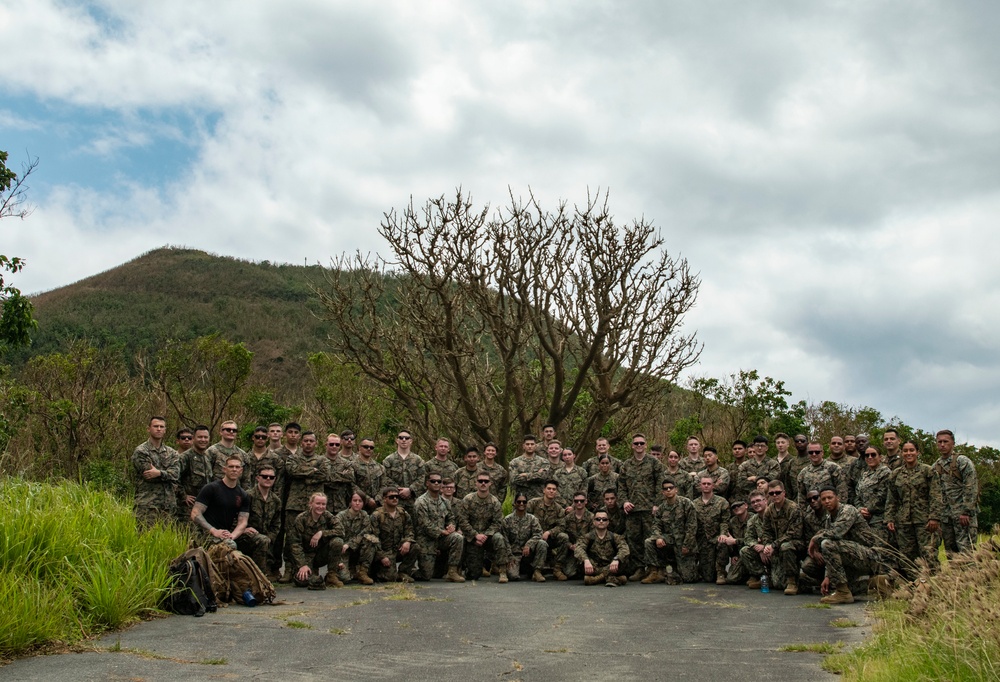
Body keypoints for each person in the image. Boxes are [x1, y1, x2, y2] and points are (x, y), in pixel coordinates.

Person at [801, 487, 884, 604]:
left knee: (827, 544)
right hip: (852, 555)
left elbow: (836, 532)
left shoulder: (848, 510)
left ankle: (843, 593)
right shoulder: (829, 518)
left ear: (837, 498)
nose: (827, 501)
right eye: (824, 499)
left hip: (869, 555)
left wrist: (815, 539)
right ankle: (875, 584)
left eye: (830, 498)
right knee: (832, 587)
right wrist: (828, 576)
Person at [886, 440, 943, 579]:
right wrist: (889, 518)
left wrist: (934, 517)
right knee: (907, 556)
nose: (908, 453)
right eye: (905, 451)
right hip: (904, 522)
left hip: (924, 521)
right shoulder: (896, 474)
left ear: (918, 452)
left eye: (912, 450)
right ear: (901, 453)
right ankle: (914, 587)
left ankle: (935, 586)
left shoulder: (928, 471)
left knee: (928, 554)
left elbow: (935, 495)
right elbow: (892, 499)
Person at [281, 432, 328, 583]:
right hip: (295, 504)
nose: (308, 443)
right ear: (301, 443)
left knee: (312, 538)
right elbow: (292, 471)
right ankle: (289, 569)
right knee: (291, 538)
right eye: (306, 441)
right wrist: (312, 471)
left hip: (315, 507)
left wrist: (304, 474)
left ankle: (310, 566)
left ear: (316, 443)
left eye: (311, 441)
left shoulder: (322, 459)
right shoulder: (293, 458)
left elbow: (324, 475)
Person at [619, 433, 664, 582]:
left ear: (646, 445)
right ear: (632, 446)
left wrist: (657, 504)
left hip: (649, 508)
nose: (639, 446)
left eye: (641, 443)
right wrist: (624, 501)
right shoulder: (626, 465)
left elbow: (660, 485)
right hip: (632, 509)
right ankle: (639, 568)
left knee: (650, 539)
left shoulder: (654, 463)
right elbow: (621, 486)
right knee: (634, 539)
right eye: (636, 443)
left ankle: (653, 569)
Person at [931, 429, 978, 556]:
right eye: (939, 442)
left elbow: (971, 487)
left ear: (953, 443)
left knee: (967, 552)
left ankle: (972, 576)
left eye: (945, 441)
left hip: (963, 517)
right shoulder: (935, 466)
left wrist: (966, 511)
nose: (942, 444)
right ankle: (955, 577)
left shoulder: (962, 462)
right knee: (951, 553)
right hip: (946, 518)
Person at [456, 473, 511, 582]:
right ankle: (462, 567)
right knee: (473, 575)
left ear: (490, 483)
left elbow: (497, 522)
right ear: (476, 483)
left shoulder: (495, 502)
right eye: (480, 481)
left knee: (499, 538)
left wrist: (485, 535)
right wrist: (475, 535)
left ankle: (502, 572)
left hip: (489, 537)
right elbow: (463, 521)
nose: (483, 483)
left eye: (486, 481)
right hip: (472, 538)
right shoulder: (468, 499)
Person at [641, 480, 698, 584]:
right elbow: (656, 525)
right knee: (649, 542)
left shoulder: (686, 504)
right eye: (665, 489)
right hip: (669, 541)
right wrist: (658, 537)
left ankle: (678, 568)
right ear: (663, 492)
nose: (668, 490)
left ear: (676, 489)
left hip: (684, 544)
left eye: (670, 488)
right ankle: (656, 571)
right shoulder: (661, 508)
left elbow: (692, 527)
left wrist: (687, 545)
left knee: (688, 578)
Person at [413, 474, 465, 582]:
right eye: (433, 481)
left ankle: (452, 572)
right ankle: (408, 571)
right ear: (427, 483)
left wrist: (451, 526)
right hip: (426, 540)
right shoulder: (421, 502)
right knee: (426, 576)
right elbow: (424, 524)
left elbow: (450, 517)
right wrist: (442, 531)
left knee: (457, 538)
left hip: (441, 538)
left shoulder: (445, 502)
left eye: (439, 481)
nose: (436, 483)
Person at [289, 493, 346, 589]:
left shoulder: (327, 516)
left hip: (321, 554)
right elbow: (295, 544)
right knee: (302, 581)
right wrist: (302, 565)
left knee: (338, 541)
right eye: (318, 503)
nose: (321, 507)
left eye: (323, 504)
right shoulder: (301, 519)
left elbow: (341, 531)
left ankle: (332, 575)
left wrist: (321, 533)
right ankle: (312, 573)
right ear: (311, 504)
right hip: (306, 556)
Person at [191, 455, 250, 547]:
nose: (234, 469)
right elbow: (195, 513)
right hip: (206, 533)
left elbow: (243, 522)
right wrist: (214, 531)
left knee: (260, 540)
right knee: (230, 546)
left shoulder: (243, 494)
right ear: (224, 469)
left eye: (237, 467)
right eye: (231, 466)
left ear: (241, 471)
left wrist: (232, 535)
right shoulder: (211, 488)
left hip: (227, 534)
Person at [131, 416, 180, 526]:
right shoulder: (141, 451)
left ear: (165, 430)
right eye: (155, 426)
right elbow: (148, 474)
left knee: (166, 539)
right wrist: (167, 474)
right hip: (147, 504)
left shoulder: (171, 453)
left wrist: (159, 473)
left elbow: (176, 474)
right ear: (149, 429)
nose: (159, 429)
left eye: (161, 427)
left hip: (168, 505)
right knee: (144, 538)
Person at [759, 481, 803, 594]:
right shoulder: (769, 510)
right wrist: (767, 545)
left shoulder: (793, 508)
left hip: (795, 544)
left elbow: (794, 533)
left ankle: (792, 582)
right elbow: (766, 531)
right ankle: (765, 575)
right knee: (777, 584)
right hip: (777, 545)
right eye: (771, 493)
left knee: (786, 546)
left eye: (777, 492)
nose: (775, 495)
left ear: (784, 493)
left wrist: (774, 545)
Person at [240, 464, 282, 579]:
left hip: (265, 539)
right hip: (245, 537)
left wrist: (270, 537)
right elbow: (235, 518)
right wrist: (244, 529)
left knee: (265, 541)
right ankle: (261, 579)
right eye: (264, 476)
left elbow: (276, 524)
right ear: (257, 478)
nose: (268, 479)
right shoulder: (247, 496)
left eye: (271, 477)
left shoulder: (276, 500)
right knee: (262, 540)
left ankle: (261, 576)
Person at [370, 486, 418, 583]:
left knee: (415, 547)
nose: (395, 499)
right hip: (384, 551)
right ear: (384, 499)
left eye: (397, 497)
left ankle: (403, 572)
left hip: (398, 549)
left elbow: (410, 530)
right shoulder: (377, 515)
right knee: (390, 579)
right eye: (391, 497)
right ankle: (376, 571)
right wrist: (382, 556)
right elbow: (373, 538)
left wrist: (407, 541)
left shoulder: (403, 513)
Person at [527, 480, 570, 580]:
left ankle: (557, 569)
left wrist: (549, 532)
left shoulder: (558, 508)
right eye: (549, 489)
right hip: (533, 538)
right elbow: (526, 520)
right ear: (544, 490)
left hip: (549, 538)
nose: (551, 491)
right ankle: (537, 571)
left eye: (554, 489)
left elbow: (561, 526)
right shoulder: (533, 503)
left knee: (564, 537)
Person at [501, 492, 548, 582]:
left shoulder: (532, 519)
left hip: (529, 553)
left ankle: (537, 571)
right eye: (519, 502)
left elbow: (538, 534)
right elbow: (505, 539)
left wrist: (529, 544)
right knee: (512, 576)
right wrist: (510, 556)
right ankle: (524, 570)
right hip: (515, 554)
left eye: (524, 502)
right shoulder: (507, 520)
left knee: (542, 543)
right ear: (514, 503)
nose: (521, 504)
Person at [576, 511, 630, 586]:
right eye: (598, 519)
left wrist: (616, 559)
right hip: (593, 567)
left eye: (604, 519)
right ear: (594, 522)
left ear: (608, 522)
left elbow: (624, 549)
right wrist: (586, 560)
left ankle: (595, 580)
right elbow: (579, 548)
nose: (601, 521)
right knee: (580, 561)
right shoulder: (587, 537)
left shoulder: (615, 537)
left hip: (611, 566)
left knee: (623, 560)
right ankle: (614, 579)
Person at [693, 475, 730, 583]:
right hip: (701, 541)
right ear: (700, 486)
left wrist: (723, 534)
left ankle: (721, 572)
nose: (706, 486)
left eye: (708, 484)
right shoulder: (693, 504)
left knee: (724, 542)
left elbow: (725, 521)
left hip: (716, 538)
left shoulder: (722, 502)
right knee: (708, 578)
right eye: (704, 484)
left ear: (713, 486)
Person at [854, 445, 892, 546]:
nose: (870, 457)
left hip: (879, 519)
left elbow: (883, 495)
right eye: (867, 455)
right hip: (863, 518)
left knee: (878, 549)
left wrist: (869, 510)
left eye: (873, 455)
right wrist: (860, 509)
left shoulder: (885, 473)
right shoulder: (864, 474)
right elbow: (857, 495)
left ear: (880, 457)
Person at [337, 492, 378, 585]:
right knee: (344, 578)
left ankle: (363, 572)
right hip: (343, 550)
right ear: (350, 502)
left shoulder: (365, 515)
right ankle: (336, 572)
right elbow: (337, 533)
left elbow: (364, 533)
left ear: (363, 503)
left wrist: (350, 544)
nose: (357, 503)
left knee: (370, 539)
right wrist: (345, 545)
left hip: (358, 548)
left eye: (360, 501)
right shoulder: (341, 516)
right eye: (354, 500)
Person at [176, 424, 213, 525]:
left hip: (204, 507)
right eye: (200, 437)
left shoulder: (207, 458)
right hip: (187, 509)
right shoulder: (185, 457)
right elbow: (174, 478)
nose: (203, 440)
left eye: (205, 437)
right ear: (193, 438)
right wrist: (184, 496)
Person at [382, 430, 426, 513]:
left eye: (407, 438)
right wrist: (398, 490)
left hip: (414, 502)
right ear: (397, 440)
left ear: (411, 441)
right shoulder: (389, 460)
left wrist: (410, 489)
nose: (404, 440)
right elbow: (385, 478)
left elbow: (422, 477)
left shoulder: (418, 460)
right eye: (401, 438)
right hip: (394, 502)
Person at [739, 491, 771, 588]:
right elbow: (748, 538)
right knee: (744, 551)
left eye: (758, 501)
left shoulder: (774, 515)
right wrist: (757, 547)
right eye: (753, 502)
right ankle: (762, 576)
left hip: (775, 550)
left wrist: (767, 547)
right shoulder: (753, 520)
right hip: (762, 551)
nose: (756, 504)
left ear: (765, 501)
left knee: (780, 584)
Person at [736, 436, 780, 502]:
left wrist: (755, 478)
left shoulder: (774, 464)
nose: (759, 448)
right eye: (757, 445)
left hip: (768, 502)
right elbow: (741, 484)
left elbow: (772, 482)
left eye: (762, 446)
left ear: (766, 448)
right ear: (753, 447)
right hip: (748, 502)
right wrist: (763, 482)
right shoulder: (744, 465)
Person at [208, 420, 250, 487]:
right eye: (228, 430)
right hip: (216, 492)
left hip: (236, 492)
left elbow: (246, 480)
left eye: (234, 430)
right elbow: (207, 476)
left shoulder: (243, 454)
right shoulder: (211, 451)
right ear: (221, 432)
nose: (231, 432)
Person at [717, 499, 750, 584]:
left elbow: (755, 541)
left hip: (751, 552)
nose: (737, 508)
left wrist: (735, 541)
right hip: (739, 554)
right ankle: (721, 572)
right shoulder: (732, 522)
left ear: (746, 505)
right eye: (734, 507)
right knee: (731, 579)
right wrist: (733, 555)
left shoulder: (753, 519)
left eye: (739, 505)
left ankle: (757, 575)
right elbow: (730, 540)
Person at [562, 491, 594, 579]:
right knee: (569, 573)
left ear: (586, 501)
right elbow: (562, 532)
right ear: (573, 502)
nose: (579, 503)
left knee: (592, 569)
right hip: (572, 550)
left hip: (586, 550)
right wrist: (570, 545)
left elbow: (593, 535)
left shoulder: (591, 517)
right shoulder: (568, 518)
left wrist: (581, 545)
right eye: (576, 501)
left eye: (582, 501)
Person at [508, 435, 549, 501]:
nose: (530, 446)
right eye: (527, 444)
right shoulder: (515, 462)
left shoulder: (543, 462)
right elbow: (514, 479)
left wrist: (526, 475)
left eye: (532, 444)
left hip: (538, 499)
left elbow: (544, 477)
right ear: (523, 446)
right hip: (520, 500)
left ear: (535, 446)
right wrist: (536, 476)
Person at [247, 425, 286, 495]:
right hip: (248, 497)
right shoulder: (246, 457)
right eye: (257, 437)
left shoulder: (275, 459)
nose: (260, 439)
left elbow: (279, 483)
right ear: (253, 438)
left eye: (263, 437)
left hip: (268, 499)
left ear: (267, 438)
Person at [323, 432, 356, 513]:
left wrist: (330, 476)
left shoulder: (346, 463)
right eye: (331, 444)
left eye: (337, 445)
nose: (334, 447)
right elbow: (320, 478)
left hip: (341, 506)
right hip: (323, 506)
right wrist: (341, 476)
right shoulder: (319, 461)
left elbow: (351, 477)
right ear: (326, 445)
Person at [353, 437, 385, 510]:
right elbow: (352, 485)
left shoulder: (380, 467)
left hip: (377, 506)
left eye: (371, 447)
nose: (369, 449)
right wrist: (367, 499)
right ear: (359, 448)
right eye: (366, 447)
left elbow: (384, 485)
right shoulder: (352, 465)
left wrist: (377, 499)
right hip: (359, 505)